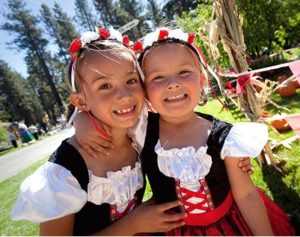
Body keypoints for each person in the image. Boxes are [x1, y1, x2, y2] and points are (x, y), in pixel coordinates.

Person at [11, 28, 186, 236]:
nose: (124, 96)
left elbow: (188, 127)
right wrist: (133, 225)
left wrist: (232, 153)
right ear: (80, 101)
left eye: (131, 81)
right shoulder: (65, 170)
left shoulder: (139, 133)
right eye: (105, 86)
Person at [136, 27, 295, 235]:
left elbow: (246, 195)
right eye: (158, 77)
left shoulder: (225, 137)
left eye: (184, 72)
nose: (173, 84)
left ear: (202, 80)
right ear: (144, 90)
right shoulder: (139, 134)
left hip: (230, 226)